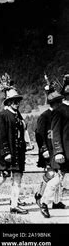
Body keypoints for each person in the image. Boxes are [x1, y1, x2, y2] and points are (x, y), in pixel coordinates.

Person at [0, 75, 28, 214]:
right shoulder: (1, 116)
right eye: (13, 101)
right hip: (6, 154)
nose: (16, 103)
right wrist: (6, 152)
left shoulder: (17, 116)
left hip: (17, 153)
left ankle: (14, 205)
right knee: (2, 178)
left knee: (18, 177)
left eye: (17, 101)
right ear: (8, 102)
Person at [40, 75, 69, 218]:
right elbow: (55, 132)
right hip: (64, 151)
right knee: (57, 178)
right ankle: (44, 202)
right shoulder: (59, 110)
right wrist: (58, 151)